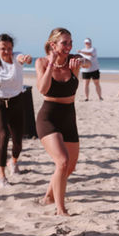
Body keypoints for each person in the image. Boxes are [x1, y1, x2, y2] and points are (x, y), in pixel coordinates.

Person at [35, 28, 85, 216]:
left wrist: (80, 63)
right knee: (62, 162)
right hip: (49, 117)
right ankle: (60, 209)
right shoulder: (41, 62)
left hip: (69, 117)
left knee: (69, 166)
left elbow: (87, 61)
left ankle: (49, 196)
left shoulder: (73, 60)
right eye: (64, 43)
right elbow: (42, 88)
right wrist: (51, 64)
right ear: (53, 44)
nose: (68, 46)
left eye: (70, 42)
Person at [0, 34, 32, 187]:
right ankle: (1, 177)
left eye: (9, 48)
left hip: (17, 102)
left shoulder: (16, 57)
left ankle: (13, 162)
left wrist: (26, 59)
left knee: (18, 142)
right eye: (3, 48)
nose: (7, 52)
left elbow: (23, 59)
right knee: (3, 137)